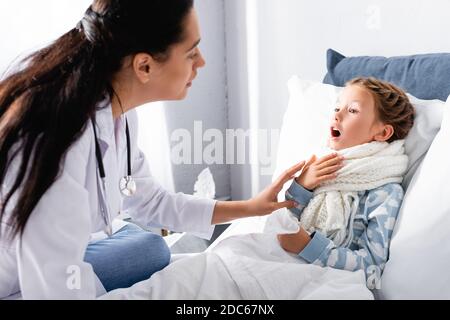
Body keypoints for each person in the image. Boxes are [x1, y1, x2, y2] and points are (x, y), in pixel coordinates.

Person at [0, 0, 332, 299]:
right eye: (191, 53)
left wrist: (251, 207)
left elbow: (150, 201)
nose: (202, 62)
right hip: (16, 276)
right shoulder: (55, 144)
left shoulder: (118, 113)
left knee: (151, 249)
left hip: (47, 255)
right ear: (144, 66)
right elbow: (57, 291)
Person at [278, 77, 415, 289]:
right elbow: (282, 225)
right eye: (337, 107)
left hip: (331, 283)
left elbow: (372, 268)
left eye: (352, 111)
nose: (337, 114)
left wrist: (309, 246)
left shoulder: (385, 192)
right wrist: (302, 186)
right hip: (289, 265)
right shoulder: (318, 166)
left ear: (383, 132)